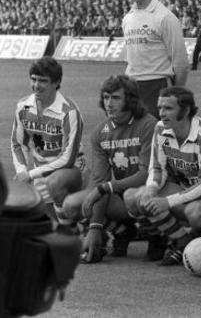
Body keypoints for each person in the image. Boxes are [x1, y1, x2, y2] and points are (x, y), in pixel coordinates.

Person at [61, 75, 159, 263]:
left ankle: (157, 236)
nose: (109, 103)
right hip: (121, 196)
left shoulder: (148, 125)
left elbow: (147, 174)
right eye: (106, 97)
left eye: (115, 98)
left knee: (134, 195)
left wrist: (107, 188)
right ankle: (122, 230)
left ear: (130, 100)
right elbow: (99, 181)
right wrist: (95, 227)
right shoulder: (100, 133)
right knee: (72, 205)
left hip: (151, 191)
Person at [123, 87, 201, 266]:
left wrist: (167, 202)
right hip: (184, 191)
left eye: (168, 108)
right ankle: (180, 240)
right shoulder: (160, 128)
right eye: (160, 108)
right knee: (135, 197)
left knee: (194, 213)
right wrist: (151, 188)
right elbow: (157, 168)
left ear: (186, 110)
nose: (162, 113)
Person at [10, 57, 85, 228]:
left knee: (56, 185)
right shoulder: (23, 107)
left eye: (43, 81)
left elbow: (67, 159)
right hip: (40, 173)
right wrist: (22, 171)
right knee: (48, 227)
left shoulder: (69, 111)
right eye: (33, 79)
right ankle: (83, 228)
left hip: (70, 171)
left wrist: (30, 175)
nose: (36, 85)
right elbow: (17, 144)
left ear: (56, 82)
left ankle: (75, 232)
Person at [122, 0, 189, 118]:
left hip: (157, 85)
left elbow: (181, 63)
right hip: (132, 86)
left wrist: (173, 93)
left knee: (158, 139)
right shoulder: (127, 18)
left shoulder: (165, 17)